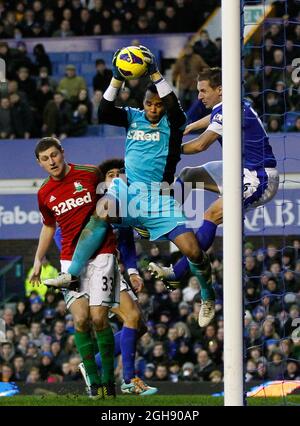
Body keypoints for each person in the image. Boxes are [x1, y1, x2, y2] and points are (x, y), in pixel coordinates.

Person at [43, 46, 215, 328]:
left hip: (159, 197)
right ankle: (73, 272)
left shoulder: (172, 124)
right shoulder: (133, 117)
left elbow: (176, 109)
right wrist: (116, 77)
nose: (154, 109)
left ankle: (208, 297)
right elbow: (104, 111)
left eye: (158, 105)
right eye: (150, 104)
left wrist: (156, 73)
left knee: (194, 251)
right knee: (101, 210)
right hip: (129, 189)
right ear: (143, 103)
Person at [149, 67, 279, 284]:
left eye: (203, 91)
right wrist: (189, 127)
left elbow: (201, 145)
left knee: (211, 215)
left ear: (220, 90)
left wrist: (170, 148)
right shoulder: (230, 106)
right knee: (189, 174)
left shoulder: (229, 110)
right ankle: (168, 221)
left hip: (259, 178)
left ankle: (177, 274)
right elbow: (212, 117)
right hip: (237, 169)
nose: (199, 97)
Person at [54, 158, 158, 396]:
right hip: (84, 269)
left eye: (118, 174)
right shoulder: (90, 202)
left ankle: (101, 366)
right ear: (101, 181)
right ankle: (125, 379)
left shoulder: (122, 204)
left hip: (109, 268)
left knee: (138, 323)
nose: (114, 177)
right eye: (109, 174)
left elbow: (127, 242)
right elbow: (64, 235)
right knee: (104, 320)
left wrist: (132, 271)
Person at [30, 137, 119, 398]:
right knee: (80, 320)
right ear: (40, 163)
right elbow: (49, 226)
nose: (51, 161)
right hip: (69, 259)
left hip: (102, 253)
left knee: (99, 318)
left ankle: (108, 383)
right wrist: (38, 260)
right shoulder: (44, 193)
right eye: (45, 159)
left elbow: (112, 204)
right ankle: (94, 382)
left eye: (54, 155)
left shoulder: (90, 173)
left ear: (62, 153)